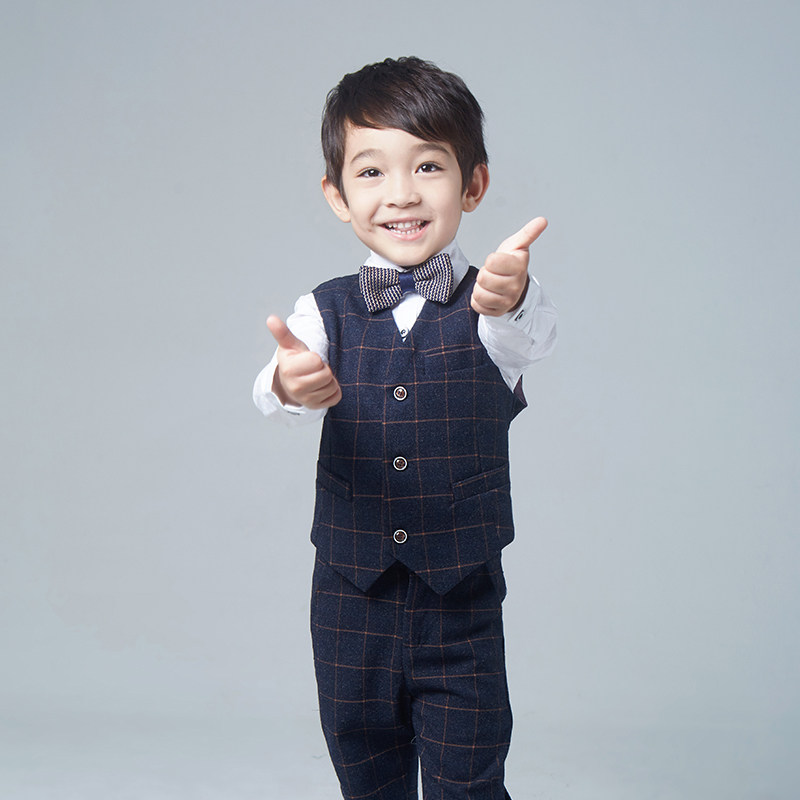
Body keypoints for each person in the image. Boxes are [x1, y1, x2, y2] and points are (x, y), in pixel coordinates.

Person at [253, 56, 557, 800]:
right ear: (337, 195)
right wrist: (289, 382)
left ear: (473, 185)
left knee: (468, 782)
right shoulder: (323, 309)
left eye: (428, 166)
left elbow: (529, 334)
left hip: (459, 602)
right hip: (349, 599)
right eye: (371, 172)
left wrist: (512, 294)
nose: (401, 194)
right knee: (366, 776)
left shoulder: (493, 308)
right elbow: (280, 382)